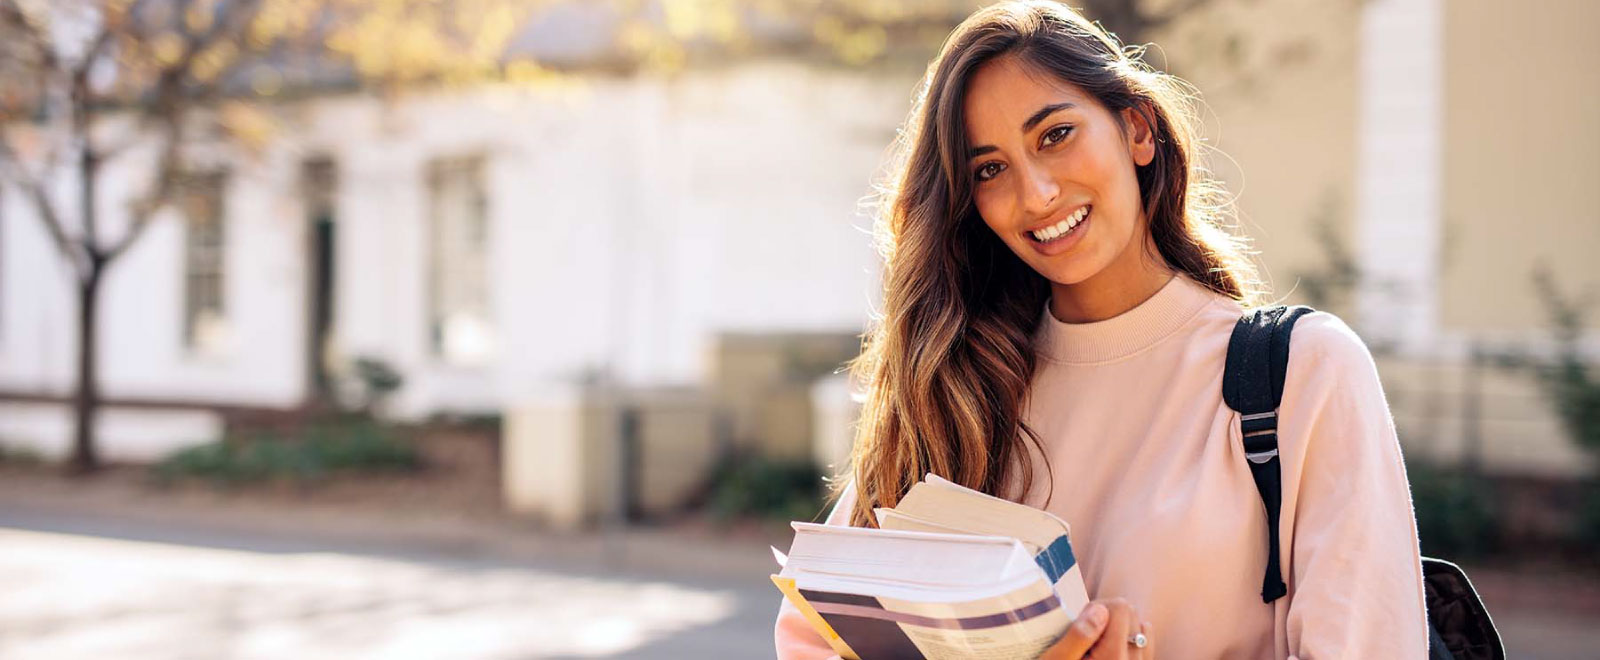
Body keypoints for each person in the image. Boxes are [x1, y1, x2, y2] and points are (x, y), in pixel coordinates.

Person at [774, 1, 1429, 658]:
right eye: (990, 170)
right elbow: (814, 641)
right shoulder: (953, 389)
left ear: (1137, 129)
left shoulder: (1300, 375)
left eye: (1055, 135)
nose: (1036, 195)